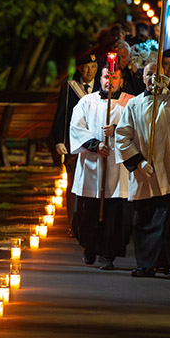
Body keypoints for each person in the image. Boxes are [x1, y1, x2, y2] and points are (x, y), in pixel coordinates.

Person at [115, 60, 170, 279]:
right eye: (148, 74)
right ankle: (146, 263)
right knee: (145, 220)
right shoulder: (134, 105)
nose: (152, 79)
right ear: (143, 78)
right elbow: (122, 137)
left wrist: (169, 83)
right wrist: (138, 162)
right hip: (147, 171)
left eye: (157, 75)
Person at [69, 68, 132, 270]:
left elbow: (139, 129)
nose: (109, 81)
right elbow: (76, 128)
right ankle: (89, 246)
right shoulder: (87, 102)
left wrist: (117, 130)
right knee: (86, 212)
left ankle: (108, 254)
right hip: (91, 165)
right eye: (106, 76)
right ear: (101, 79)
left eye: (114, 77)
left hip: (118, 168)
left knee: (114, 214)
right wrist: (96, 145)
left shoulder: (131, 103)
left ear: (121, 81)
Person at [53, 52, 100, 230]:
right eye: (86, 67)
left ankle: (91, 224)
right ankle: (72, 224)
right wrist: (59, 140)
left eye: (94, 67)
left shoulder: (103, 88)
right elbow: (61, 116)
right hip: (74, 145)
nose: (90, 71)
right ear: (80, 69)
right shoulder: (69, 88)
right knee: (73, 184)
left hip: (96, 144)